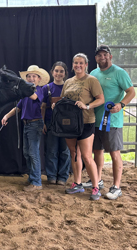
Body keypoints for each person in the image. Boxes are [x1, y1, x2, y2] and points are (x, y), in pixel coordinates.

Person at [86, 45, 135, 200]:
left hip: (112, 121)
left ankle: (116, 187)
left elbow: (131, 91)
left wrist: (121, 104)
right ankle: (98, 180)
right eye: (99, 55)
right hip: (95, 120)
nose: (103, 57)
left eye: (105, 55)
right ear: (96, 58)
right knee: (97, 151)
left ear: (110, 56)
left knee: (114, 153)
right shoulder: (93, 73)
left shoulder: (119, 72)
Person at [58, 53, 104, 200]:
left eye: (81, 63)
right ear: (73, 65)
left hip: (86, 122)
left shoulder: (92, 80)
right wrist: (57, 105)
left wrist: (87, 106)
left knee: (86, 156)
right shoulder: (68, 82)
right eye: (75, 63)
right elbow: (63, 99)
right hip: (70, 124)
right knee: (74, 153)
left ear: (86, 65)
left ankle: (96, 187)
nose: (78, 65)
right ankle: (77, 183)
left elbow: (101, 99)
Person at [1, 65, 49, 192]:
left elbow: (34, 97)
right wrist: (6, 115)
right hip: (27, 125)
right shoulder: (25, 94)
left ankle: (37, 182)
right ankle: (33, 177)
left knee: (33, 153)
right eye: (29, 76)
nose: (31, 78)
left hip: (35, 124)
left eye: (34, 76)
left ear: (39, 79)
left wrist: (23, 89)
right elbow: (18, 108)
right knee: (27, 153)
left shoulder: (39, 90)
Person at [41, 62, 71, 186]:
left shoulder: (69, 87)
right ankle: (51, 175)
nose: (58, 73)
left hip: (66, 123)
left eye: (61, 71)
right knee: (51, 150)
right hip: (51, 122)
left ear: (65, 73)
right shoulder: (46, 88)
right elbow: (42, 107)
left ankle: (63, 177)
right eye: (56, 71)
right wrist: (43, 122)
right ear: (52, 72)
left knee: (65, 150)